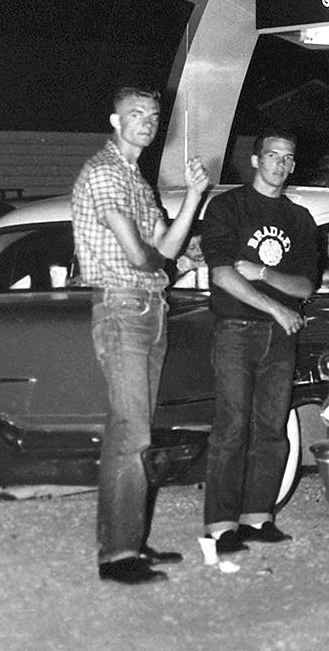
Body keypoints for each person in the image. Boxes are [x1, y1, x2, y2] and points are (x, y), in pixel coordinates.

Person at [71, 84, 209, 585]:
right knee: (133, 433)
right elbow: (141, 254)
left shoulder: (137, 181)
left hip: (149, 309)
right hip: (123, 306)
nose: (146, 121)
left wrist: (194, 196)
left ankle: (126, 542)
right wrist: (165, 263)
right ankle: (119, 557)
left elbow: (169, 244)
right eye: (135, 113)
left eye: (152, 115)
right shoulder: (105, 172)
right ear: (115, 121)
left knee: (130, 431)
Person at [199, 131, 322, 556]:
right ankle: (219, 525)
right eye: (272, 155)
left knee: (272, 429)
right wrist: (276, 308)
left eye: (288, 158)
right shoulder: (227, 207)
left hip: (281, 336)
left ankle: (257, 517)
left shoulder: (301, 219)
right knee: (232, 427)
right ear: (255, 160)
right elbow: (222, 275)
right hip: (236, 330)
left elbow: (305, 284)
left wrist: (265, 273)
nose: (280, 165)